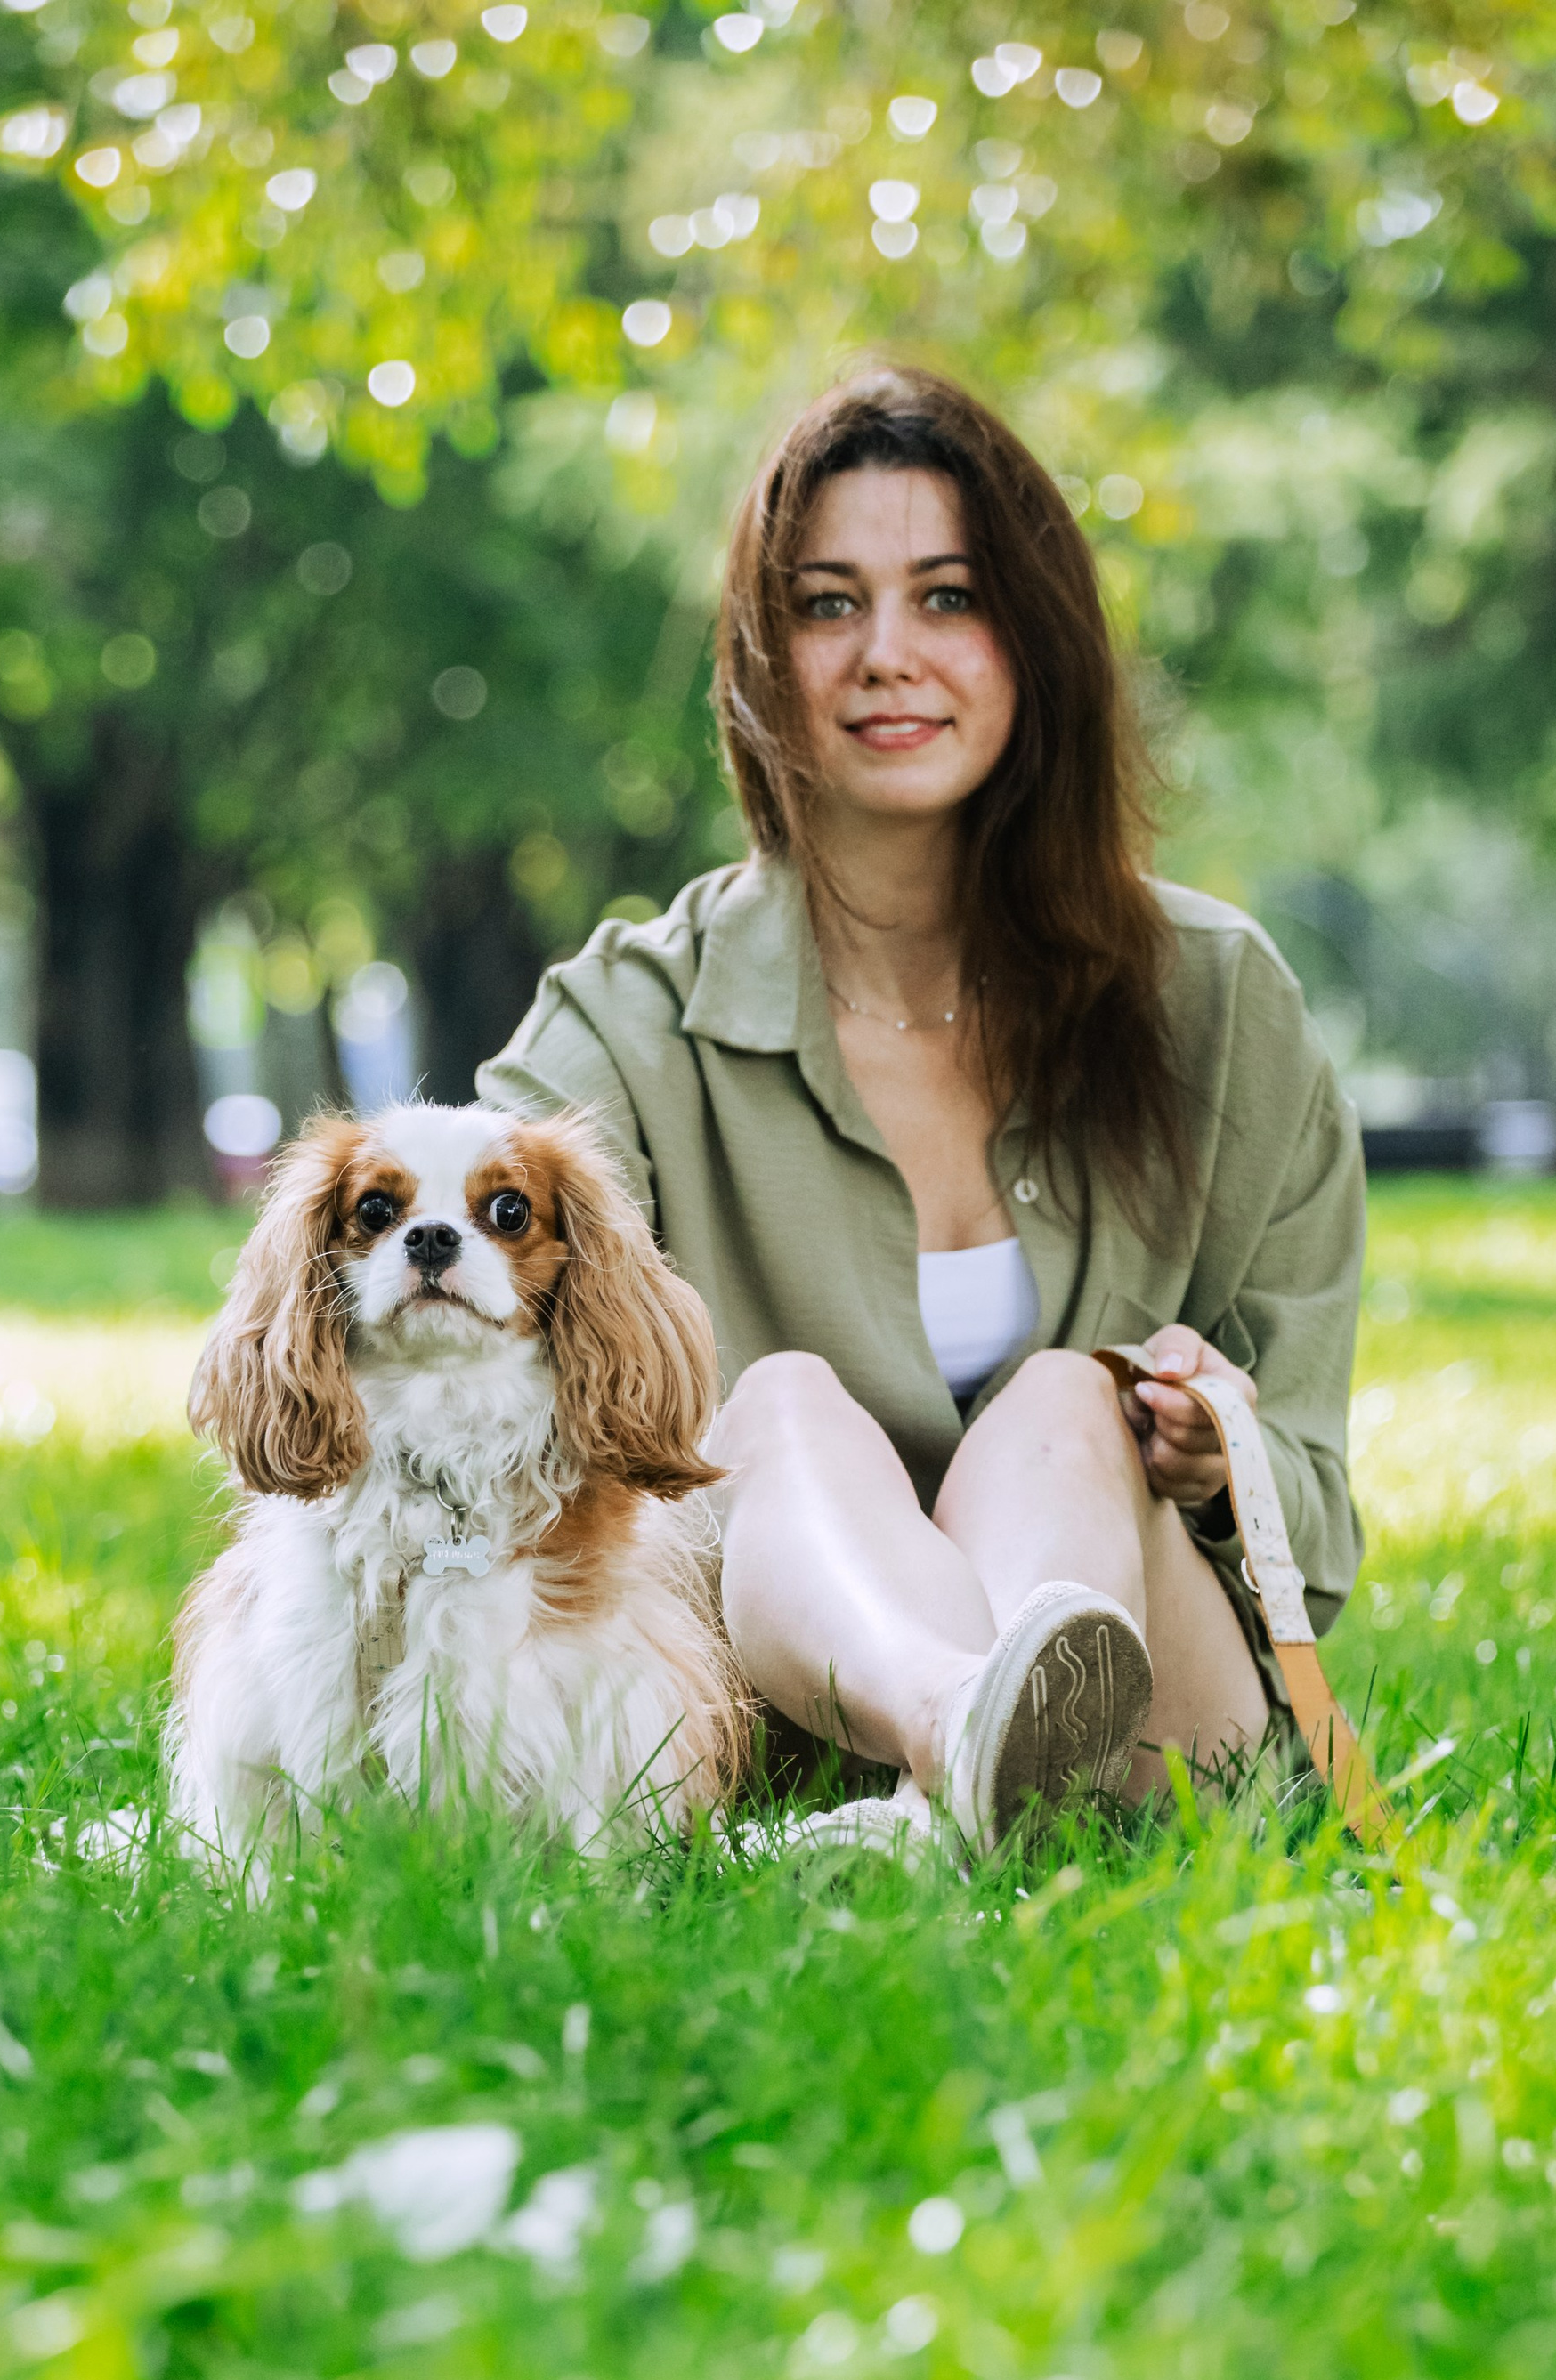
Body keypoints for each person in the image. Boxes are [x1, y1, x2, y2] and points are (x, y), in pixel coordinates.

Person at [480, 365, 1364, 1847]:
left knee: (1067, 1402)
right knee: (778, 1412)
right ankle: (958, 1744)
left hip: (1151, 1721)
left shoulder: (1221, 1002)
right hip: (775, 1734)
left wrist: (1223, 1460)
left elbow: (1319, 1527)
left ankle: (962, 1788)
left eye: (948, 597)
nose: (890, 653)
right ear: (764, 662)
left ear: (1037, 641)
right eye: (829, 605)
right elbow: (445, 1359)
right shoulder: (631, 1019)